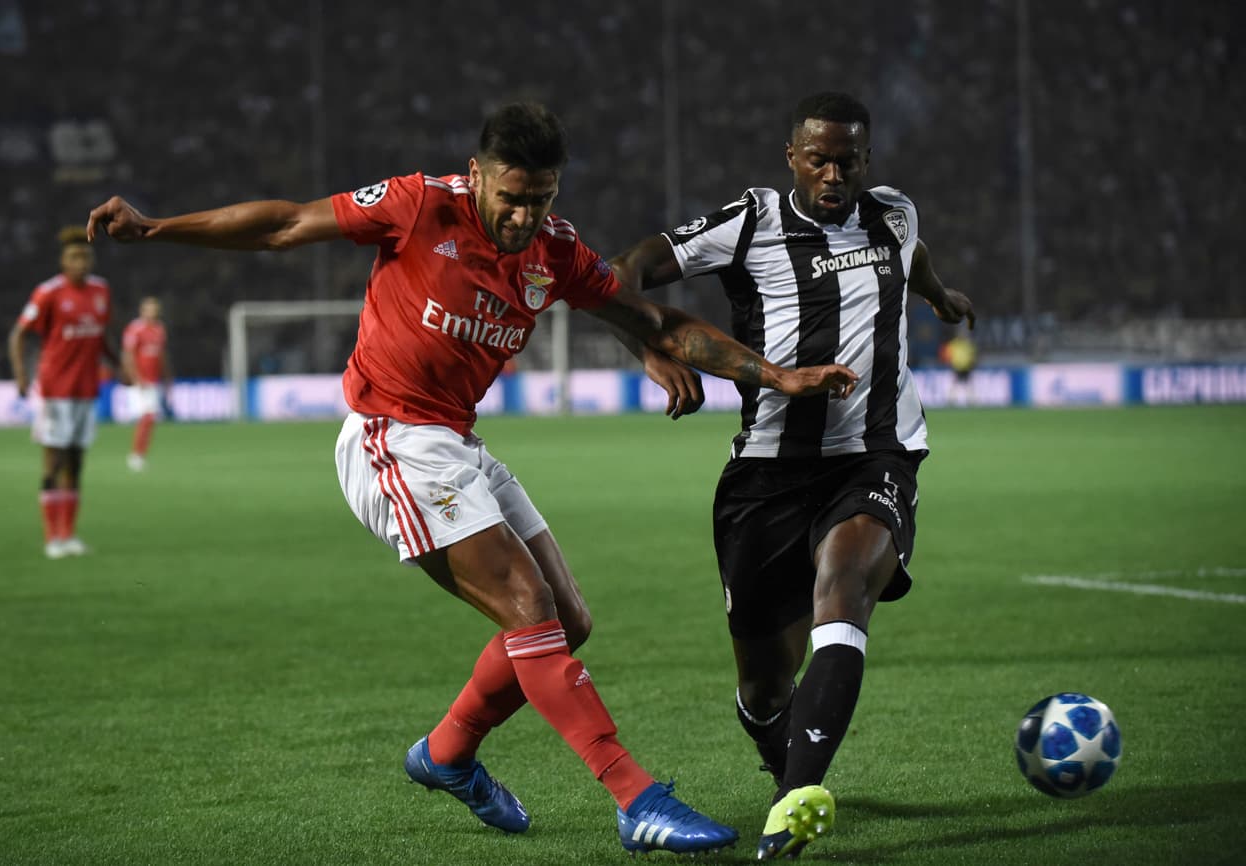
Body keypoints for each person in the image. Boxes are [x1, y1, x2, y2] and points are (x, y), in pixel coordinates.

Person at [86, 102, 860, 855]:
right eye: (512, 199)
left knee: (567, 620)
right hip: (389, 435)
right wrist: (155, 229)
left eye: (542, 200)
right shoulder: (419, 205)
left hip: (454, 440)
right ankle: (636, 799)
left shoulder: (555, 251)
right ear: (477, 176)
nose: (524, 217)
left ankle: (448, 752)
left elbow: (651, 320)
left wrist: (773, 376)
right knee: (529, 609)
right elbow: (287, 223)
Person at [609, 92, 975, 859]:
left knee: (846, 588)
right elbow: (629, 268)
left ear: (868, 163)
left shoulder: (893, 214)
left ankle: (798, 795)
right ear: (792, 158)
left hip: (876, 455)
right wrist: (649, 345)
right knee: (765, 687)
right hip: (766, 480)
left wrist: (938, 295)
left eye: (849, 160)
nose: (834, 173)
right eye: (820, 159)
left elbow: (915, 254)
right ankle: (783, 757)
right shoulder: (752, 222)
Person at [8, 226, 120, 559]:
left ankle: (69, 535)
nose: (81, 262)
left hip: (87, 390)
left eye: (86, 256)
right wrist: (21, 374)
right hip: (55, 390)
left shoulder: (102, 291)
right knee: (53, 462)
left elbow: (101, 337)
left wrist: (119, 365)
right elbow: (18, 334)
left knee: (76, 463)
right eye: (74, 256)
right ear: (62, 261)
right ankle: (52, 537)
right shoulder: (48, 293)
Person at [121, 296, 172, 470]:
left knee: (150, 419)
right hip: (140, 381)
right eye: (149, 309)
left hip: (153, 380)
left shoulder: (159, 329)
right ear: (142, 311)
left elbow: (161, 356)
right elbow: (128, 355)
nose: (152, 313)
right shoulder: (135, 329)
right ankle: (136, 456)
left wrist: (167, 377)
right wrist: (136, 378)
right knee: (147, 416)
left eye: (155, 310)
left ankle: (140, 454)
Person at [939, 328, 978, 406]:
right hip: (956, 367)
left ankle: (971, 400)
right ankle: (951, 400)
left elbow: (973, 355)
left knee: (968, 384)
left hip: (966, 367)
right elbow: (947, 355)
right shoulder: (954, 344)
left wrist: (972, 363)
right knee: (955, 384)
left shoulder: (967, 344)